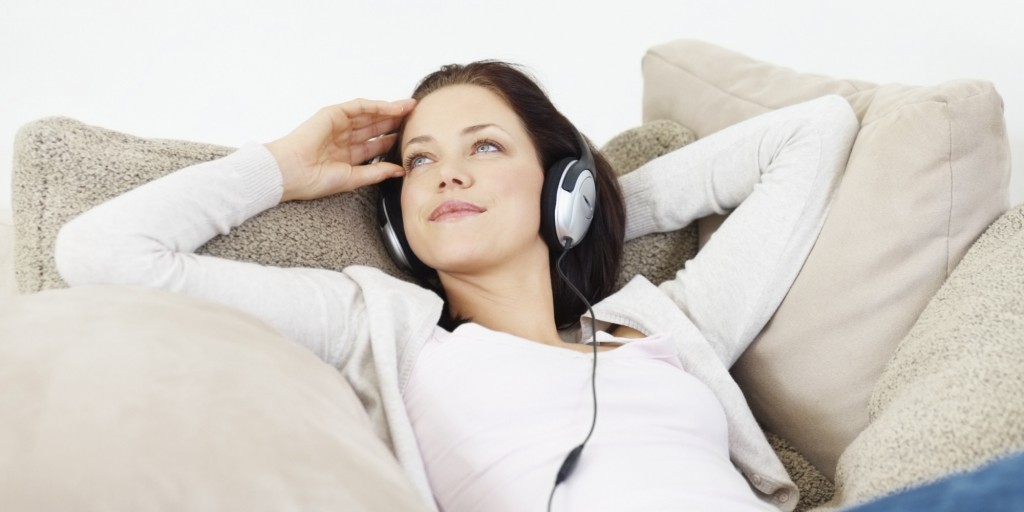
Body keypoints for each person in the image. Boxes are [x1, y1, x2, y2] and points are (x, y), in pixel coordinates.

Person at [55, 60, 859, 511]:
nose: (448, 176)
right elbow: (103, 252)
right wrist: (284, 166)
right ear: (400, 221)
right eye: (424, 159)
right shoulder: (385, 331)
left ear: (558, 184)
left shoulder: (667, 329)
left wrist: (589, 211)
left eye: (485, 148)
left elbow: (812, 132)